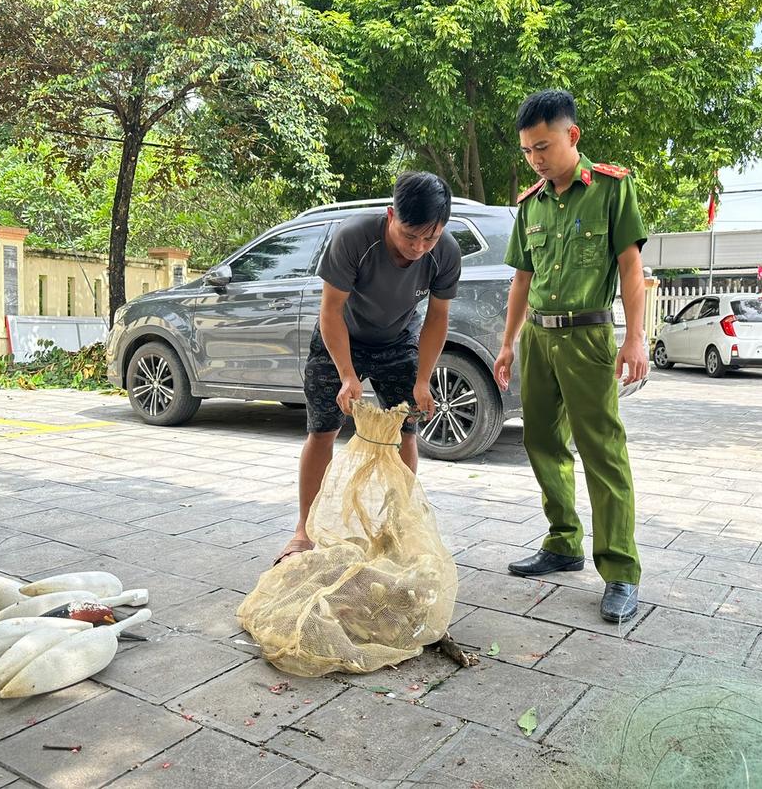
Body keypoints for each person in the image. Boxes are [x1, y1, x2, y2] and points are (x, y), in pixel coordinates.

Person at [493, 89, 649, 622]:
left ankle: (621, 570)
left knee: (602, 450)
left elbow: (630, 268)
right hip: (538, 336)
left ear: (572, 136)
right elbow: (521, 279)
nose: (536, 158)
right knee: (538, 439)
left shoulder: (610, 189)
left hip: (587, 337)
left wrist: (635, 337)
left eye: (543, 146)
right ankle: (563, 543)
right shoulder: (530, 204)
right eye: (528, 151)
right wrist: (508, 343)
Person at [274, 171, 462, 564]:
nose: (418, 247)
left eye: (429, 238)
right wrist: (346, 374)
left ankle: (398, 527)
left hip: (398, 339)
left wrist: (424, 380)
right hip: (343, 337)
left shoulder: (444, 252)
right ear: (391, 215)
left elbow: (437, 319)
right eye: (410, 236)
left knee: (406, 432)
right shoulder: (354, 237)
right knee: (322, 430)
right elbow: (331, 310)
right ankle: (303, 532)